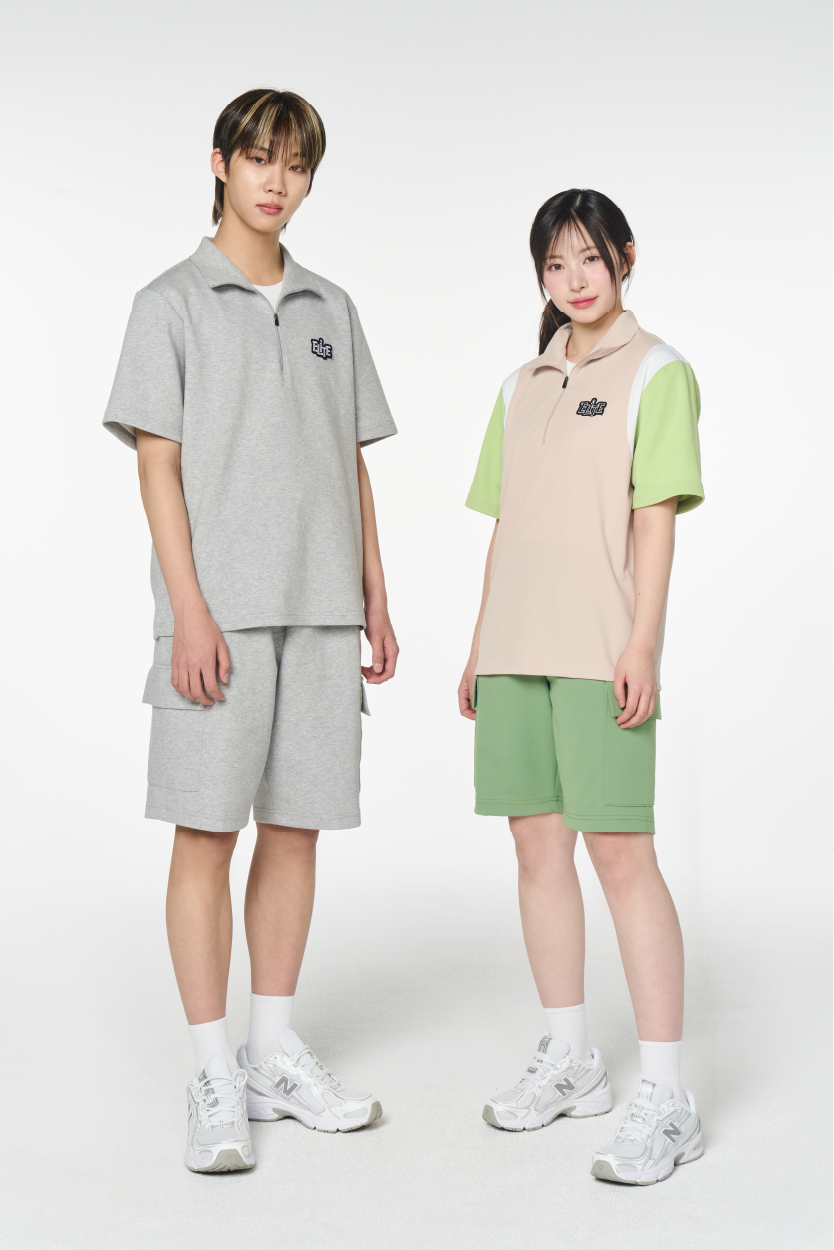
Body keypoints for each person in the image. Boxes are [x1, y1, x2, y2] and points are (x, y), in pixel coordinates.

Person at [104, 88, 398, 1173]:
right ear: (221, 162)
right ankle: (212, 1069)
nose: (278, 181)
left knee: (297, 829)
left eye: (297, 165)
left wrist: (374, 592)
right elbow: (158, 464)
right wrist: (188, 608)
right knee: (204, 832)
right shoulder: (169, 302)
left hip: (321, 612)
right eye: (260, 158)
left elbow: (349, 459)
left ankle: (272, 1052)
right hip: (217, 616)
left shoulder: (331, 305)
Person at [459, 189, 704, 1186]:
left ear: (625, 258)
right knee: (535, 851)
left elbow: (656, 519)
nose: (575, 279)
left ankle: (668, 1095)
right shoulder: (520, 384)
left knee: (622, 855)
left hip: (601, 649)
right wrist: (478, 644)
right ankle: (571, 1058)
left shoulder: (658, 372)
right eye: (556, 264)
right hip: (515, 646)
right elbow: (506, 525)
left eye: (590, 258)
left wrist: (643, 642)